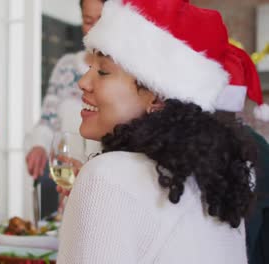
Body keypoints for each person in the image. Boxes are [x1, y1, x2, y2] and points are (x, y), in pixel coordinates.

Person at [57, 0, 264, 262]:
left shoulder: (106, 176)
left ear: (156, 97)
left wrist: (94, 194)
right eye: (90, 68)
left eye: (103, 71)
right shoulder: (214, 181)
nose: (83, 82)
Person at [25, 0, 105, 179]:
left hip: (101, 179)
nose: (94, 30)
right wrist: (39, 145)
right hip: (66, 180)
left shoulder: (124, 72)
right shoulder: (66, 66)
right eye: (88, 21)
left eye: (101, 20)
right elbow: (48, 118)